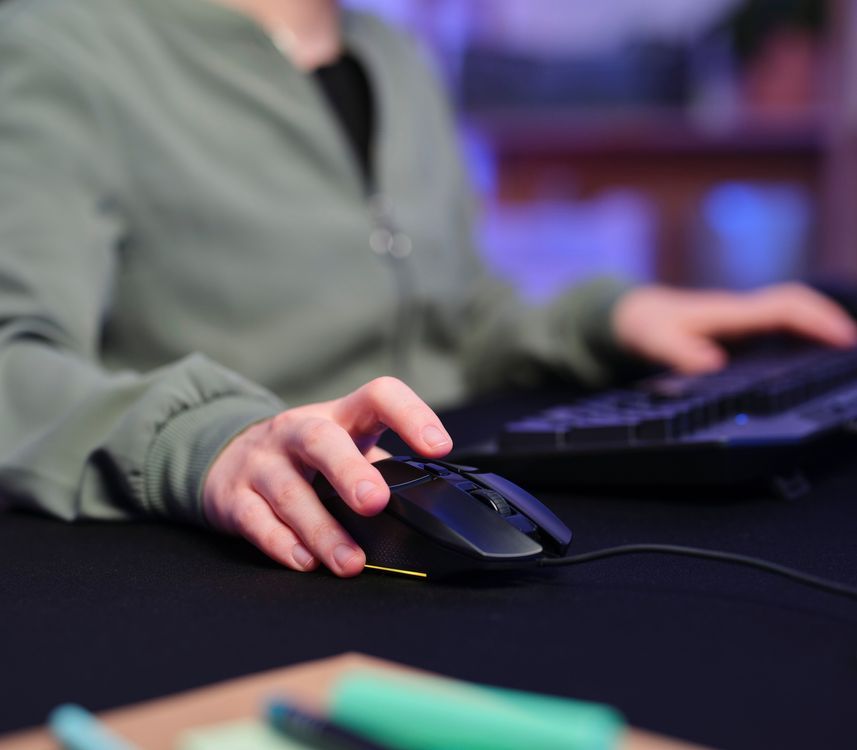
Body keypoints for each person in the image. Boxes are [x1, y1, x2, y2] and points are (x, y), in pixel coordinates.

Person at [0, 0, 854, 578]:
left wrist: (607, 318)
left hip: (432, 492)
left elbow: (451, 312)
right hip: (250, 559)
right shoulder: (57, 46)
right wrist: (204, 441)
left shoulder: (393, 54)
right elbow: (13, 359)